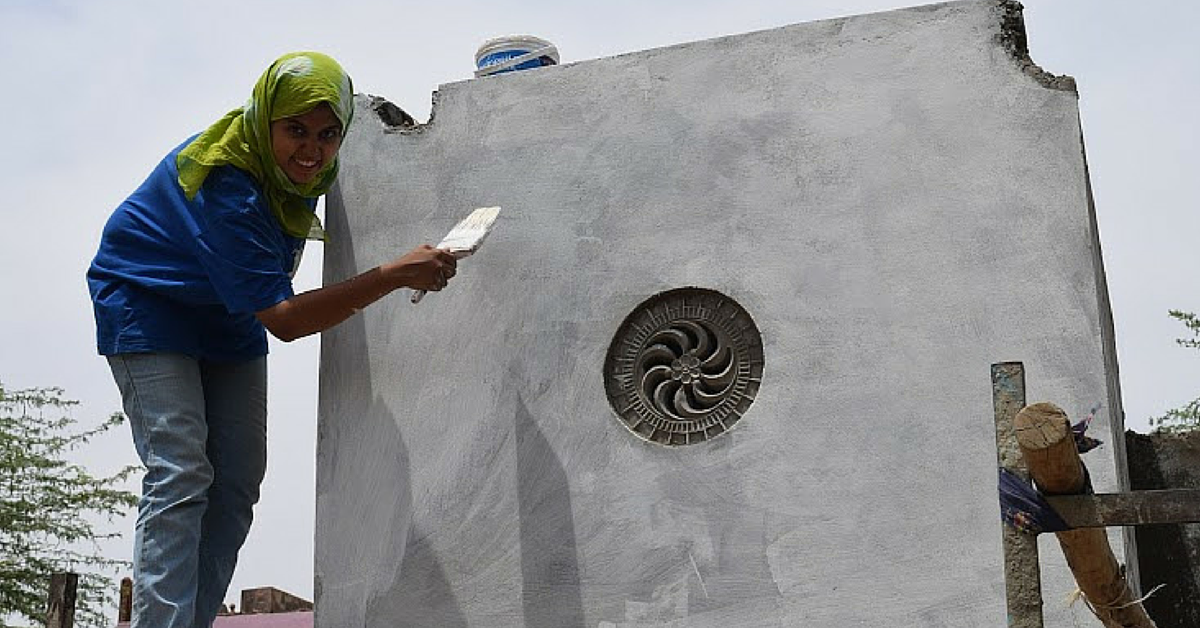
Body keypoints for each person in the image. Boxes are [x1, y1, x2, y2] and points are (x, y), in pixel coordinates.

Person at [86, 51, 456, 628]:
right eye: (296, 131)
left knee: (235, 482)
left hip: (228, 312)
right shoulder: (225, 179)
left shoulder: (309, 175)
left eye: (329, 134)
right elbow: (283, 319)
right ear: (265, 121)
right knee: (181, 469)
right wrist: (395, 273)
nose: (311, 149)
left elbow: (265, 298)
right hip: (148, 301)